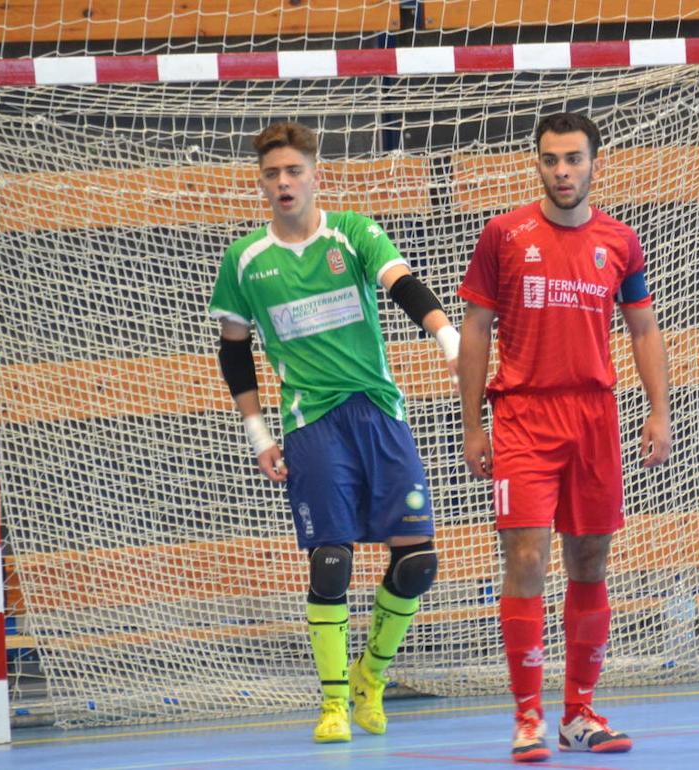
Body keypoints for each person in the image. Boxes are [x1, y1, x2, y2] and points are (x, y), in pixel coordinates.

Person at [208, 121, 459, 744]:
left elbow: (401, 284)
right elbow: (234, 352)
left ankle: (371, 676)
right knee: (330, 562)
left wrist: (448, 338)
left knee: (420, 561)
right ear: (261, 182)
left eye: (294, 170)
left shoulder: (352, 233)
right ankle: (335, 704)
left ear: (317, 174)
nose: (284, 182)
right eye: (272, 173)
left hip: (378, 413)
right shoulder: (244, 260)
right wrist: (258, 435)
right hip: (310, 423)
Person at [457, 112, 671, 763]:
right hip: (523, 415)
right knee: (525, 559)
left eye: (573, 159)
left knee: (590, 563)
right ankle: (528, 718)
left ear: (594, 162)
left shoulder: (621, 242)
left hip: (595, 420)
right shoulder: (503, 235)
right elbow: (474, 329)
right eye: (551, 159)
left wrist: (659, 411)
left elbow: (642, 330)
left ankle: (580, 713)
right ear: (537, 163)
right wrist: (471, 423)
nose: (562, 171)